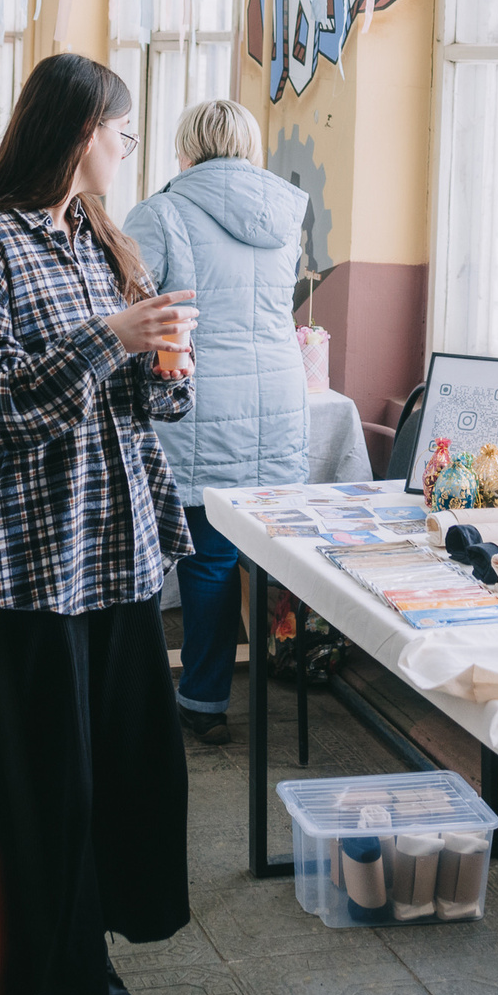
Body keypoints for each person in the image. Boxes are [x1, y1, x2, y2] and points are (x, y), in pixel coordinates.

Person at [0, 52, 199, 995]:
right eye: (120, 129)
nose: (128, 144)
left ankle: (88, 949)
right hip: (29, 559)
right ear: (79, 133)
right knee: (43, 784)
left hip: (115, 551)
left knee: (123, 769)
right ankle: (41, 972)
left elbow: (137, 401)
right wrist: (107, 340)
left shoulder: (99, 240)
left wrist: (165, 365)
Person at [123, 98, 309, 746]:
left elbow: (131, 307)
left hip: (201, 400)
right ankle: (229, 691)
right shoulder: (286, 213)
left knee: (180, 557)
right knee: (238, 554)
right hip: (279, 395)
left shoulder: (162, 211)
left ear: (187, 146)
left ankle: (173, 697)